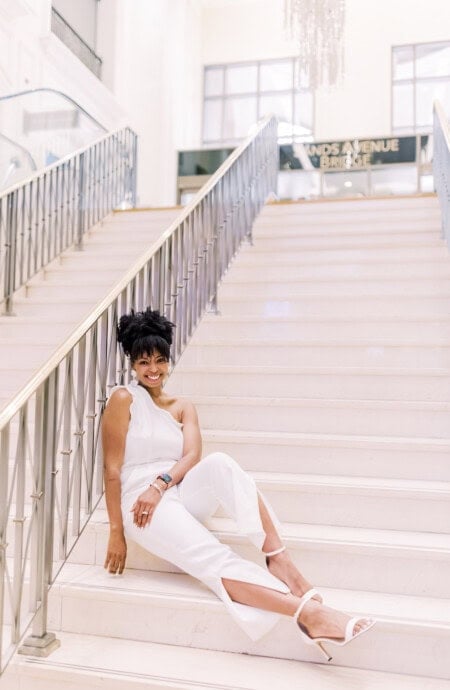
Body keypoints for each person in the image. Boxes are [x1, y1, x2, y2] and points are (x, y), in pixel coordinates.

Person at [102, 308, 375, 661]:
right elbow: (111, 469)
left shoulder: (183, 406)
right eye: (143, 363)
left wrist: (162, 483)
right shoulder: (123, 399)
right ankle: (308, 614)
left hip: (172, 488)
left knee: (221, 463)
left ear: (169, 360)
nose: (153, 370)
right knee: (213, 557)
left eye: (159, 361)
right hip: (139, 504)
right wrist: (115, 531)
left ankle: (279, 560)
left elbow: (192, 456)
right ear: (132, 366)